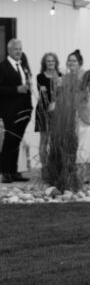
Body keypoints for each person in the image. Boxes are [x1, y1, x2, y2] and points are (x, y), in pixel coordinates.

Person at [0, 38, 33, 182]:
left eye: (20, 48)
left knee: (17, 140)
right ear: (9, 50)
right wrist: (16, 89)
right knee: (10, 139)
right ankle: (4, 172)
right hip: (9, 110)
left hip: (24, 110)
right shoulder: (3, 66)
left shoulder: (22, 66)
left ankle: (13, 171)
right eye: (16, 49)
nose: (19, 51)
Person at [35, 52, 61, 166]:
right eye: (48, 61)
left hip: (58, 111)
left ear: (56, 62)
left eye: (52, 61)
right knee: (44, 140)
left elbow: (62, 94)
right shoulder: (40, 77)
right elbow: (43, 94)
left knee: (56, 140)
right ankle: (44, 167)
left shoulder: (61, 75)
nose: (51, 63)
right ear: (44, 63)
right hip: (43, 110)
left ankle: (54, 166)